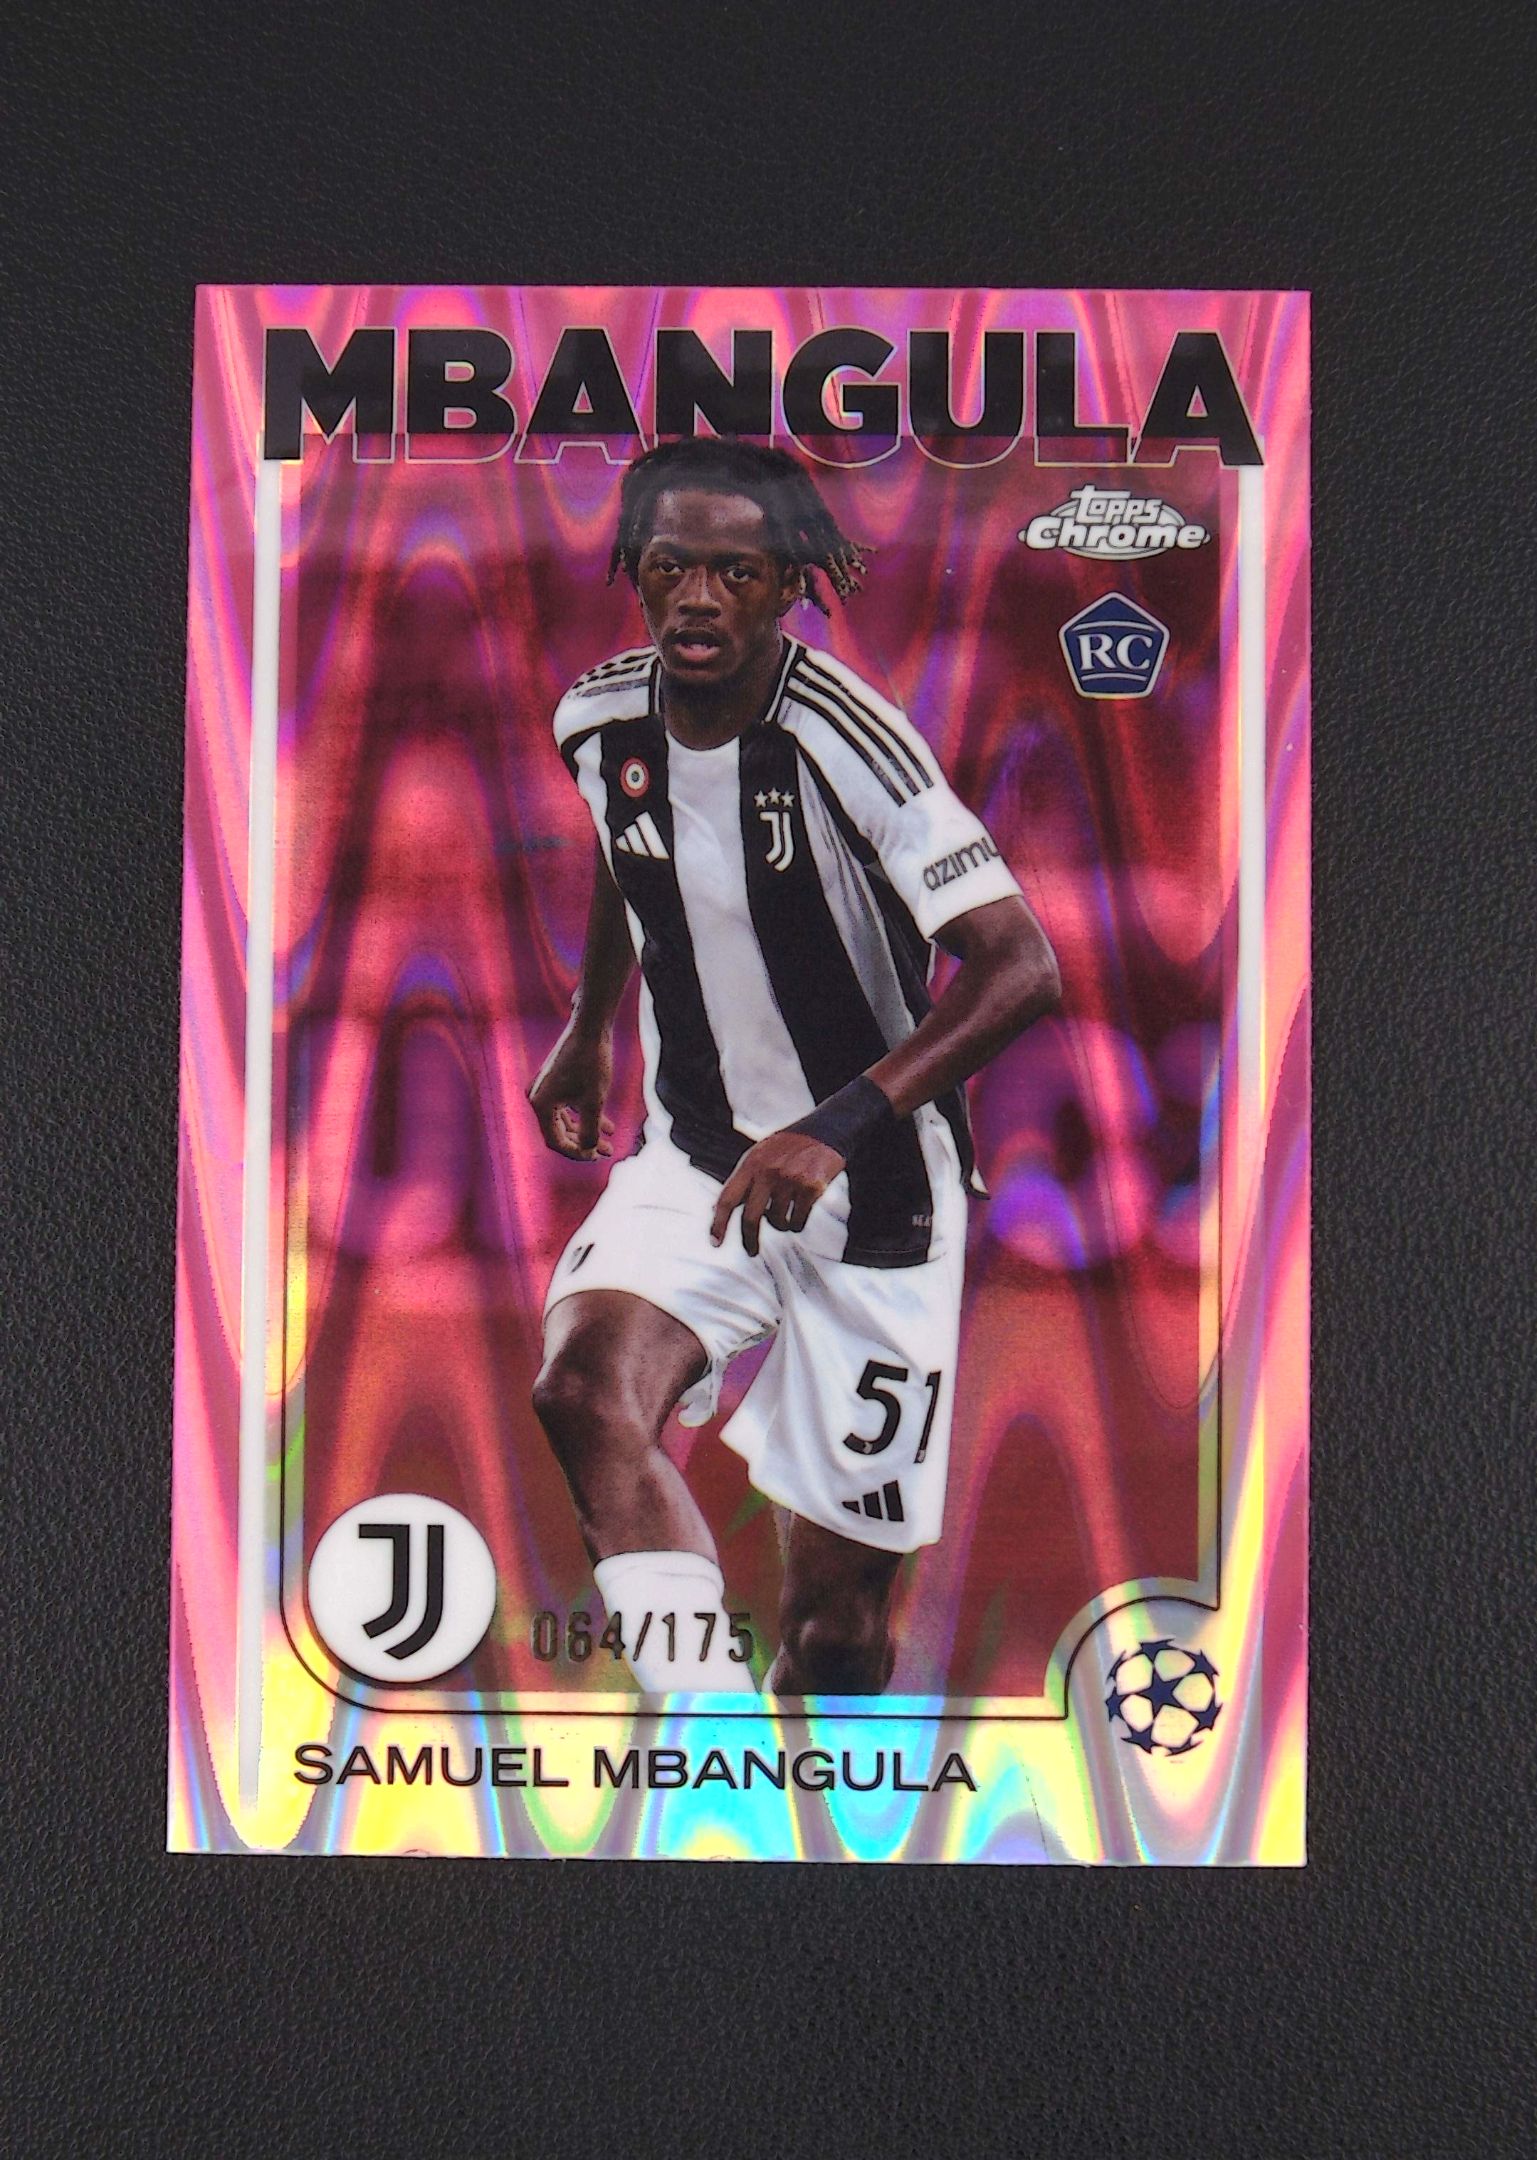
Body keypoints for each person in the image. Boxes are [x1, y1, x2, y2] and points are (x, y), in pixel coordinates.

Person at [527, 438, 1060, 1695]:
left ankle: (816, 1785)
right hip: (698, 1159)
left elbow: (1020, 966)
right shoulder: (597, 718)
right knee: (583, 1392)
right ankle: (705, 1730)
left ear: (787, 585)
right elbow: (627, 839)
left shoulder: (848, 741)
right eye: (671, 568)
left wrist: (835, 1126)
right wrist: (590, 1023)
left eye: (736, 573)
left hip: (877, 1194)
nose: (698, 598)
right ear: (634, 570)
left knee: (832, 1634)